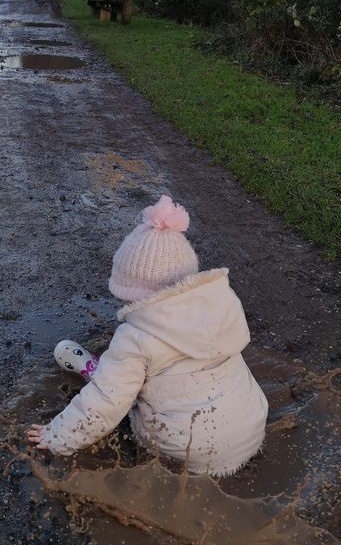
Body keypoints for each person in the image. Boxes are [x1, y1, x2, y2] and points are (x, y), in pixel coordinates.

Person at [26, 195, 269, 477]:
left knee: (122, 396)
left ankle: (97, 371)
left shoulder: (135, 338)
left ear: (134, 293)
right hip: (251, 430)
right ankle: (109, 372)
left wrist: (57, 436)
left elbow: (105, 404)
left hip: (187, 453)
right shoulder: (219, 308)